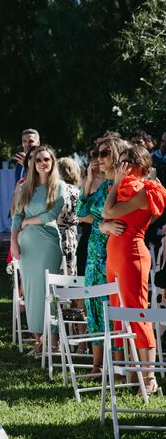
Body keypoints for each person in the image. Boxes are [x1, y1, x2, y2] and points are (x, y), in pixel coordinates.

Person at [103, 145, 166, 395]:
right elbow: (103, 220)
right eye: (118, 162)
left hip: (132, 256)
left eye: (125, 162)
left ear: (138, 165)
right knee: (119, 316)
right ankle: (129, 372)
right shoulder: (121, 189)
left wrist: (116, 185)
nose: (120, 167)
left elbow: (109, 211)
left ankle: (149, 378)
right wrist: (105, 227)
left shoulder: (147, 190)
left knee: (137, 315)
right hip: (114, 256)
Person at [76, 137, 127, 374]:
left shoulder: (121, 186)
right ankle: (97, 365)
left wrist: (104, 225)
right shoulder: (103, 186)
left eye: (104, 153)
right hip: (93, 256)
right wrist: (87, 181)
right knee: (94, 307)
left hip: (111, 256)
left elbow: (120, 220)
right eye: (97, 153)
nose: (99, 158)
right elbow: (81, 212)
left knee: (111, 307)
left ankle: (117, 365)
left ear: (117, 155)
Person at [10, 145, 65, 357]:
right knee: (31, 292)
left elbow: (52, 214)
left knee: (47, 291)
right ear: (33, 164)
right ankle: (38, 341)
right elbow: (16, 217)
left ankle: (54, 340)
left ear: (52, 163)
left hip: (48, 244)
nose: (43, 163)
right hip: (27, 246)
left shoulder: (58, 186)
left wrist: (27, 222)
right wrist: (14, 242)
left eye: (47, 160)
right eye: (39, 160)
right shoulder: (26, 188)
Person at [56, 157, 81, 276]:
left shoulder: (55, 190)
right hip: (70, 236)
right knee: (69, 275)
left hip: (55, 234)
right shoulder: (77, 191)